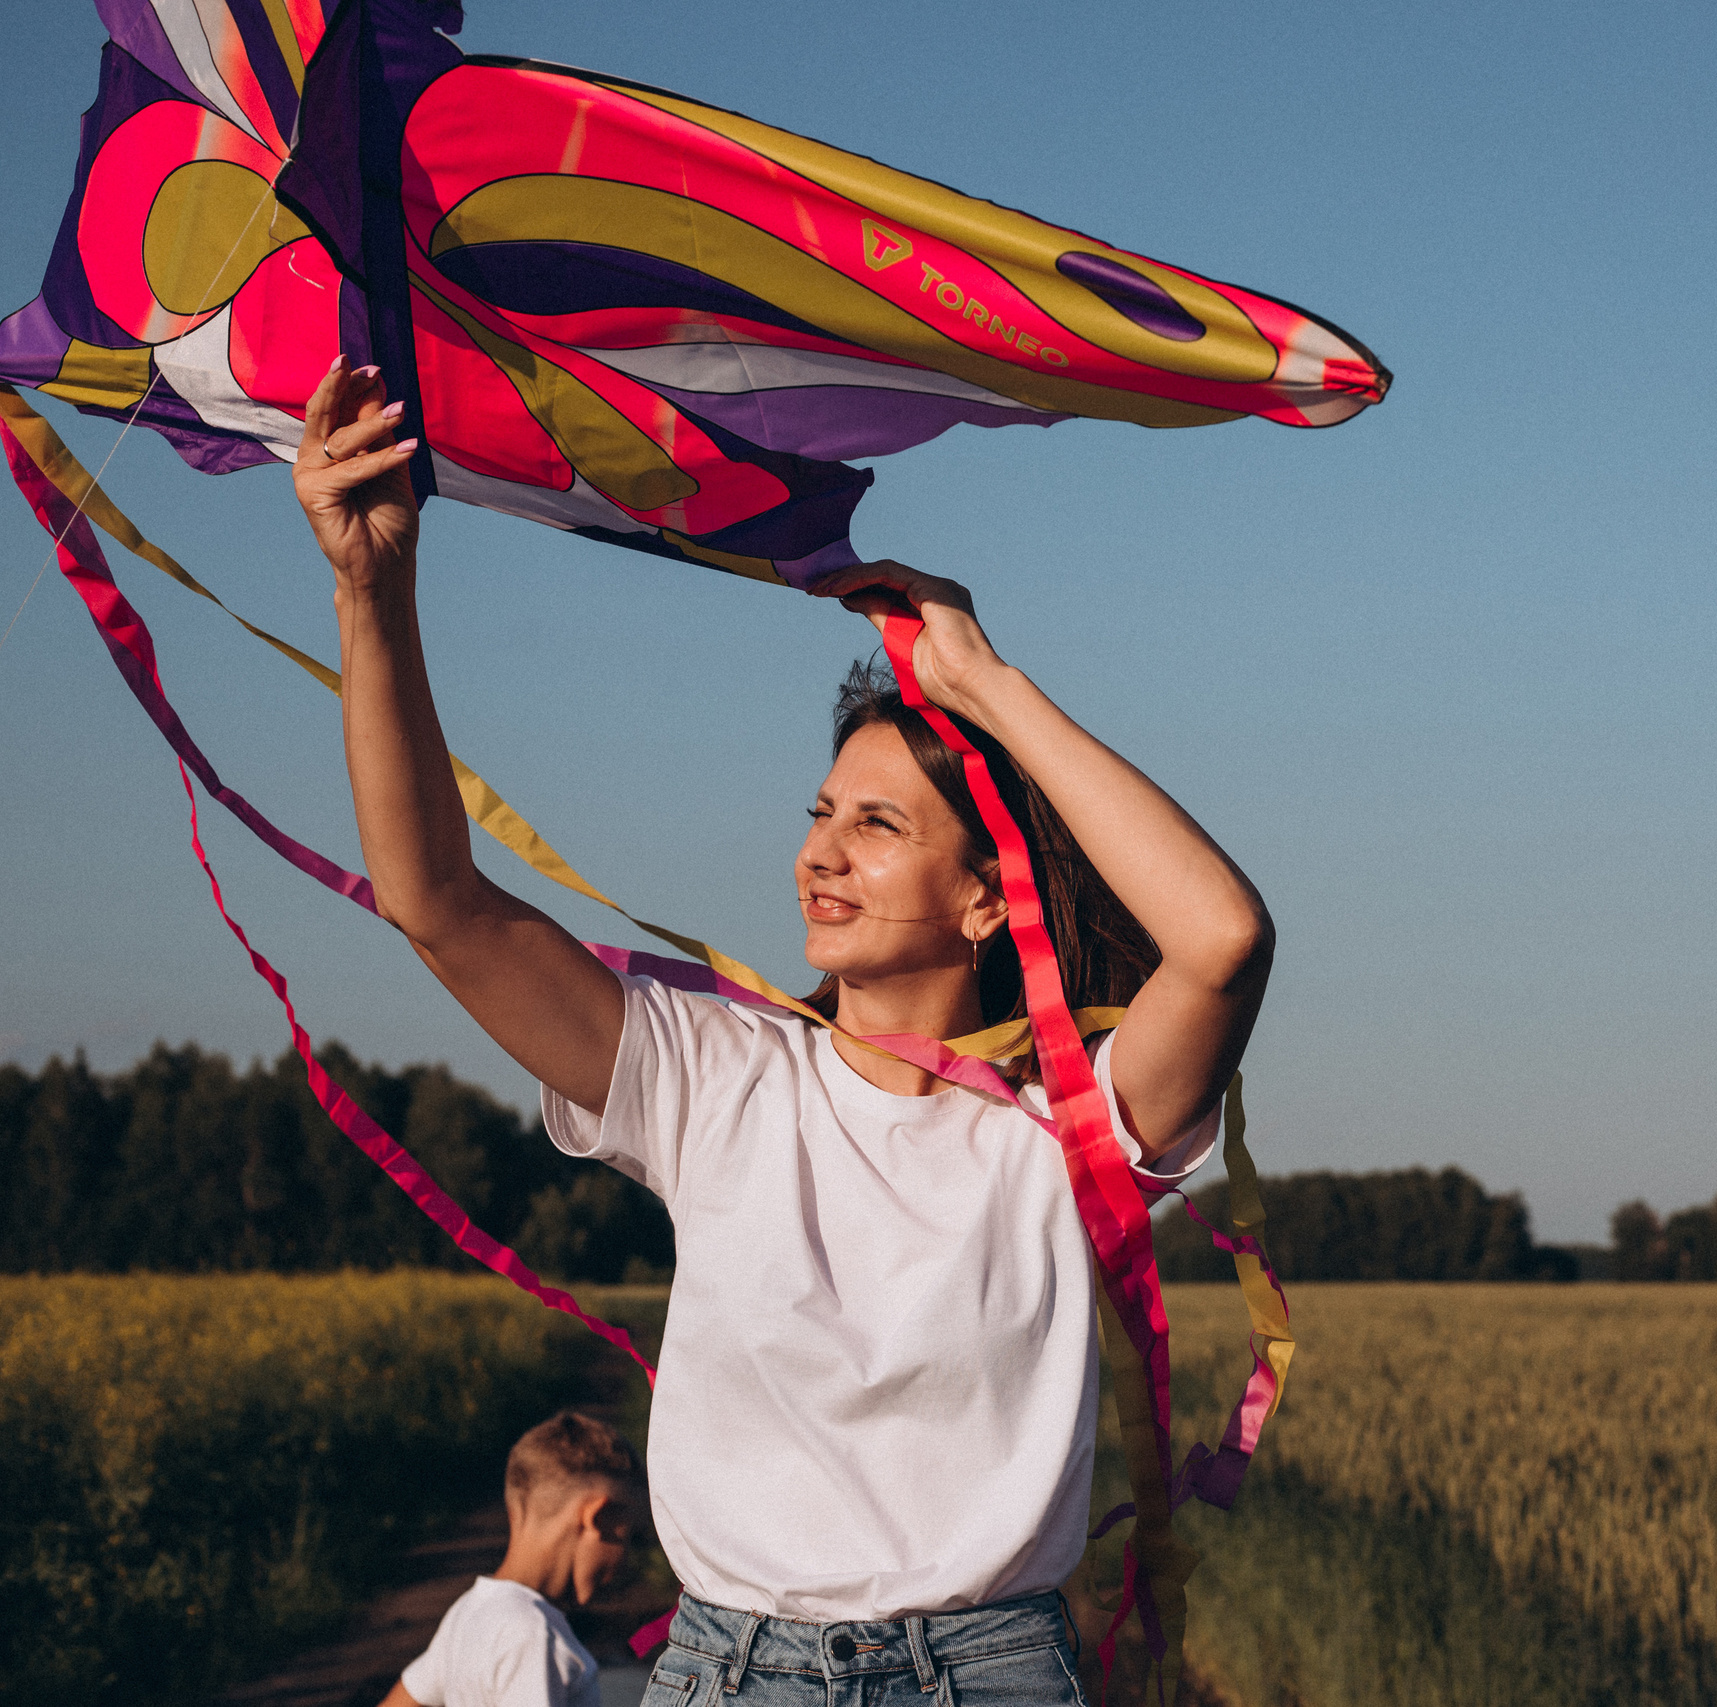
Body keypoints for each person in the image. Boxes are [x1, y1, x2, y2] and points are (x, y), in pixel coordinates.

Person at [294, 358, 1274, 1707]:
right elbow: (437, 902)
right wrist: (373, 587)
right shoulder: (713, 1072)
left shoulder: (1070, 1131)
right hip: (732, 1668)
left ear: (986, 894)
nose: (822, 852)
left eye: (877, 824)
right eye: (821, 813)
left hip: (988, 1674)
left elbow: (1223, 939)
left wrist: (983, 683)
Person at [383, 1410, 642, 1707]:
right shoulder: (534, 1637)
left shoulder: (468, 1611)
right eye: (630, 1536)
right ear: (595, 1518)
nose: (627, 1561)